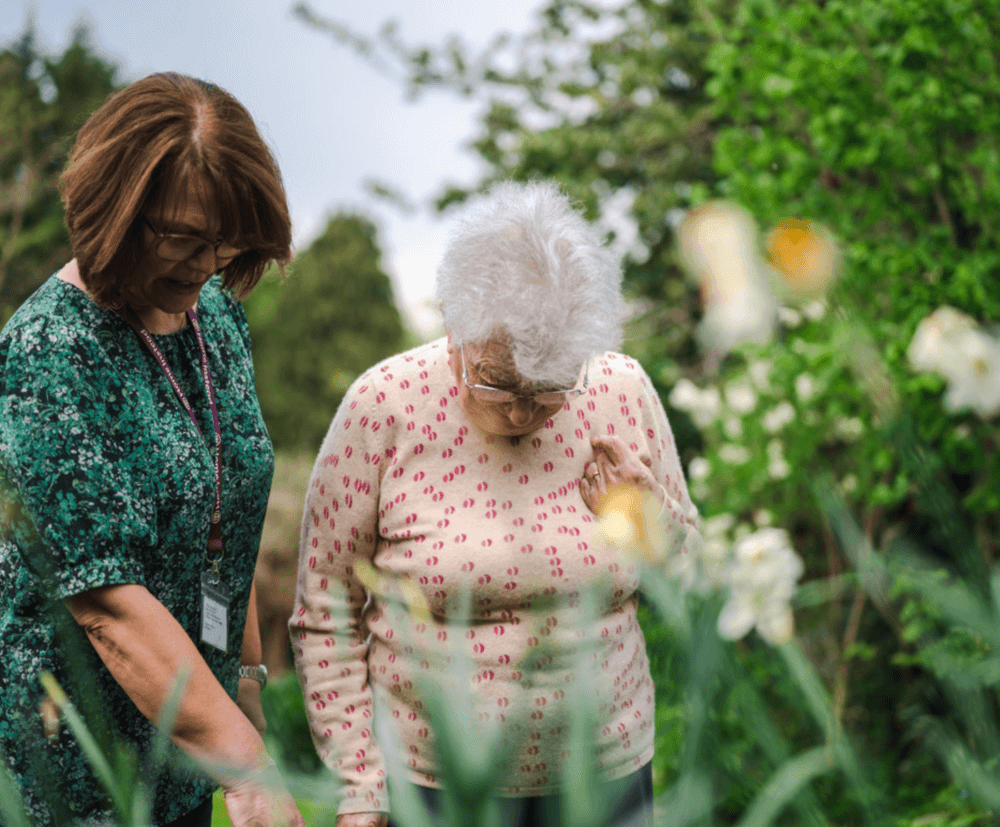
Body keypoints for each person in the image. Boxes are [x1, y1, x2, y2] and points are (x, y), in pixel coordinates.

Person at [291, 180, 703, 827]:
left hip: (605, 777)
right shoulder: (385, 405)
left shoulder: (619, 391)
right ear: (454, 330)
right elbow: (326, 609)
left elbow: (690, 572)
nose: (524, 411)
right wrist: (360, 783)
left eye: (549, 391)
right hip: (435, 785)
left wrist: (650, 518)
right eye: (499, 383)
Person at [0, 73, 306, 827]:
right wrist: (248, 767)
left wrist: (248, 689)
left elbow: (227, 511)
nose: (206, 263)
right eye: (182, 236)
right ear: (117, 212)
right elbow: (107, 601)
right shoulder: (50, 354)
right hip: (70, 776)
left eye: (222, 239)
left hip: (177, 759)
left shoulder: (216, 322)